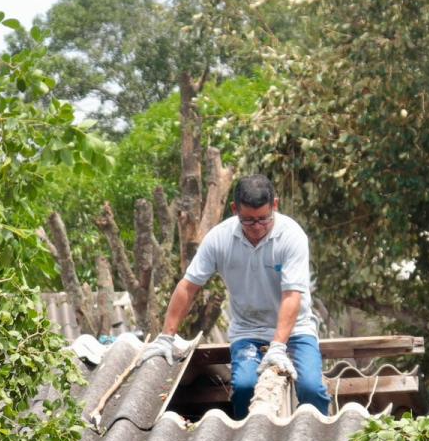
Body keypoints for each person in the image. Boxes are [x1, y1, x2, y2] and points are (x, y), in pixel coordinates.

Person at [140, 174, 330, 417]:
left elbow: (292, 295)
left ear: (275, 205)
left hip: (295, 330)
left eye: (264, 219)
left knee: (311, 388)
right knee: (244, 389)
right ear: (234, 210)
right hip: (248, 331)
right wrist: (167, 337)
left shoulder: (291, 236)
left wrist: (278, 347)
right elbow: (188, 286)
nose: (257, 227)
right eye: (248, 221)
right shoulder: (219, 239)